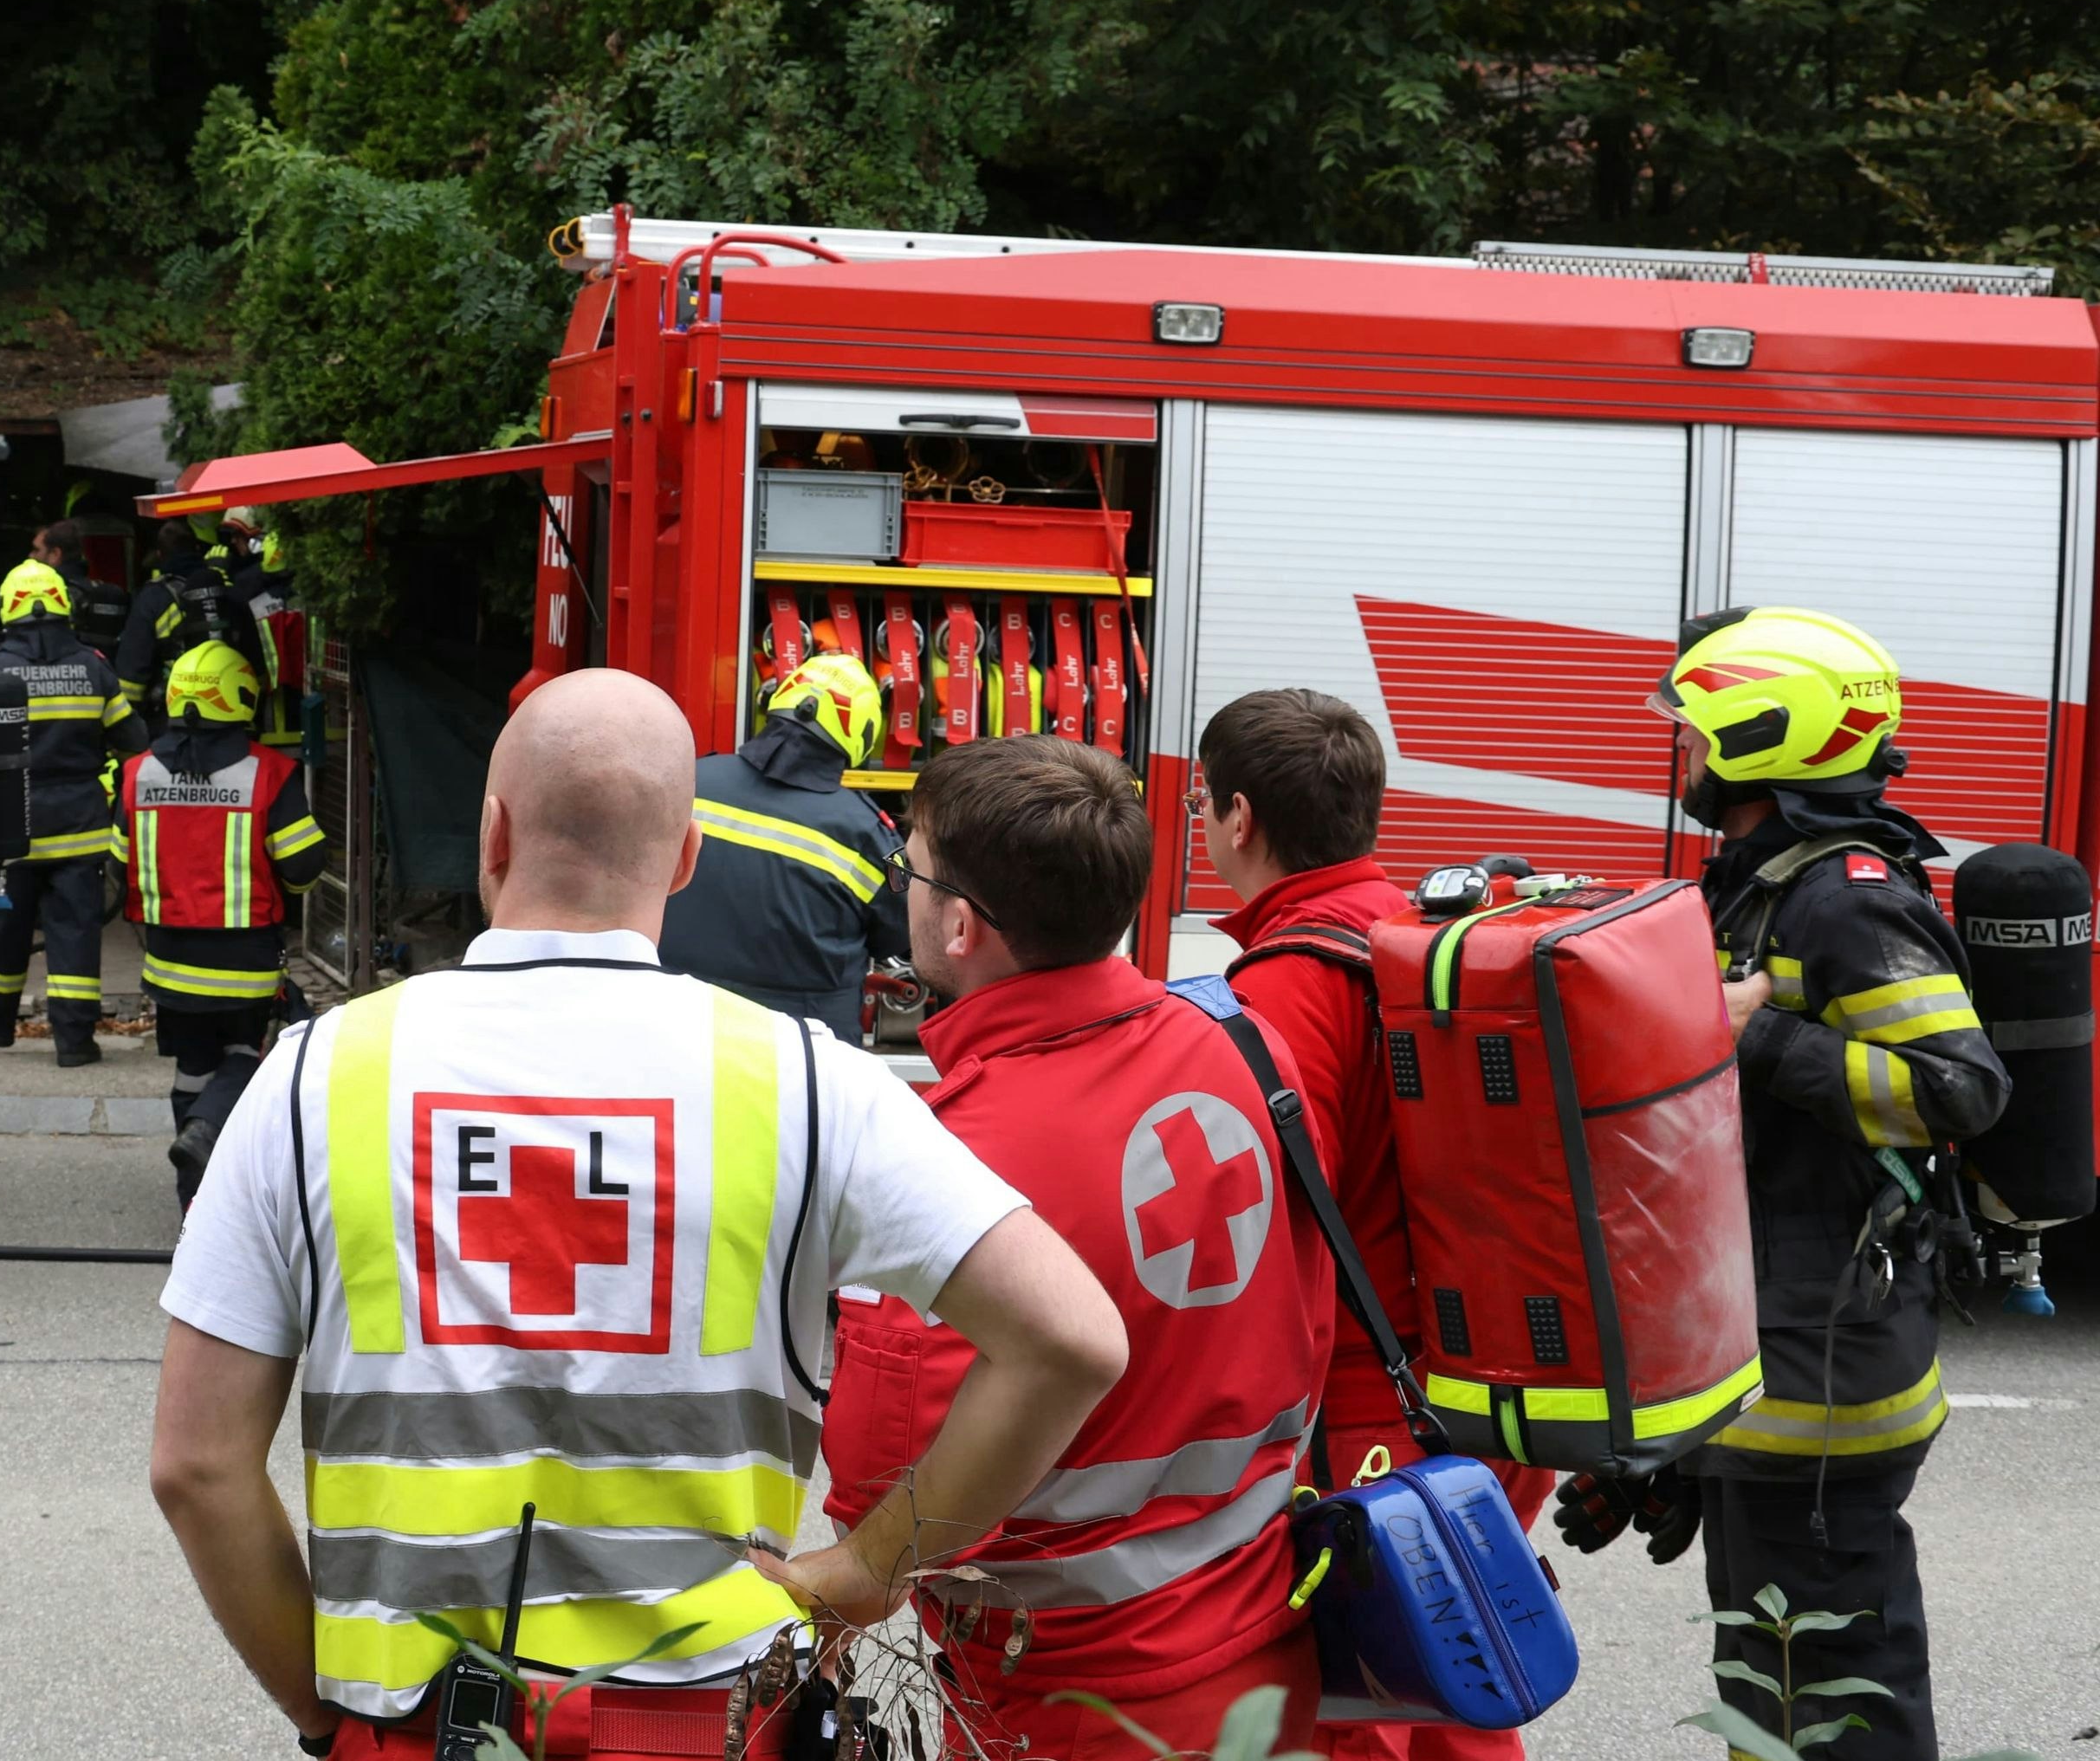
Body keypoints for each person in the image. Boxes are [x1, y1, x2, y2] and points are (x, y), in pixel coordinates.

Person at [149, 669, 1124, 1759]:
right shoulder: (809, 1085)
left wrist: (325, 1715)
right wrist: (857, 1575)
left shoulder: (312, 1076)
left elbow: (196, 1467)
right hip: (706, 1726)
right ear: (687, 856)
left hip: (417, 1721)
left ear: (493, 832)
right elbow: (1070, 1338)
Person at [820, 735, 1335, 1758]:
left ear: (960, 926)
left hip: (1066, 1688)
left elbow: (886, 1478)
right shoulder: (1241, 1041)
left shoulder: (956, 1161)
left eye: (911, 869)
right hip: (1269, 1636)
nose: (904, 891)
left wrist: (838, 1588)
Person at [1563, 607, 2006, 1761]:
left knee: (1839, 1704)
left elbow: (1960, 1089)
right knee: (1772, 1688)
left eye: (1701, 734)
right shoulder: (1761, 883)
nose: (1689, 758)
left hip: (1828, 1387)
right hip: (1775, 1369)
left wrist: (1764, 1039)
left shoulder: (1846, 896)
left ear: (1769, 739)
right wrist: (1677, 1452)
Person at [1199, 686, 1550, 1761]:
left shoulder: (1295, 976)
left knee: (1377, 1720)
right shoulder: (1418, 936)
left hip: (1363, 1415)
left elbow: (1273, 1216)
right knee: (1457, 1691)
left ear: (1240, 818)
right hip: (1472, 1382)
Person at [115, 642, 324, 1200]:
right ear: (241, 699)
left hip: (168, 966)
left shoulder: (136, 774)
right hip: (245, 967)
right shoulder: (272, 775)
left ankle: (195, 1194)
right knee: (248, 1058)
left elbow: (118, 865)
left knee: (192, 1065)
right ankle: (208, 1133)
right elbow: (303, 870)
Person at [658, 651, 910, 1043]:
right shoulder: (867, 836)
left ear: (780, 702)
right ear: (862, 732)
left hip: (675, 1031)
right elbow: (902, 933)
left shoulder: (689, 781)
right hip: (804, 1058)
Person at [0, 560, 146, 1065]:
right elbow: (134, 744)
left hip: (10, 827)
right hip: (80, 828)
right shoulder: (94, 668)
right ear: (65, 606)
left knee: (6, 927)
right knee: (75, 934)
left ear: (7, 609)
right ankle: (74, 1041)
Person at [113, 516, 240, 718]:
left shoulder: (152, 598)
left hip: (177, 709)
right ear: (197, 550)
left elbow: (133, 670)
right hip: (230, 703)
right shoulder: (225, 591)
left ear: (160, 555)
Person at [225, 511, 310, 757]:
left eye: (237, 536)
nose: (233, 543)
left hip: (265, 701)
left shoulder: (242, 589)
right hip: (311, 702)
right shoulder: (306, 587)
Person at [33, 518, 133, 663]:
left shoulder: (47, 598)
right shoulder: (104, 591)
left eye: (37, 550)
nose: (31, 556)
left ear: (55, 554)